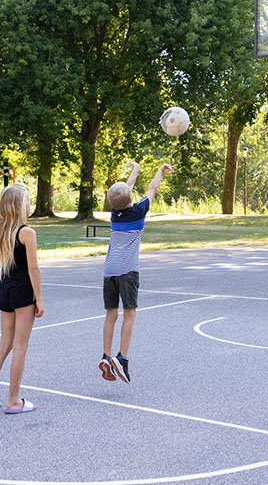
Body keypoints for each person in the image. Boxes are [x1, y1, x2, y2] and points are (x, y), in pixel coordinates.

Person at [99, 160, 173, 384]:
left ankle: (105, 355)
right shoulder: (139, 211)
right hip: (127, 270)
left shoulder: (114, 213)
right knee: (129, 313)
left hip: (109, 269)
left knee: (111, 314)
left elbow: (125, 191)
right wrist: (159, 170)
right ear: (131, 199)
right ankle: (122, 359)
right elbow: (152, 189)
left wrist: (136, 170)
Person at [0, 183, 44, 415]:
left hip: (4, 291)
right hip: (22, 292)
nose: (30, 205)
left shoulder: (0, 231)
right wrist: (39, 298)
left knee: (4, 343)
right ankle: (14, 400)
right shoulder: (27, 232)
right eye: (27, 201)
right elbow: (33, 269)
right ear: (19, 206)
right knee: (20, 347)